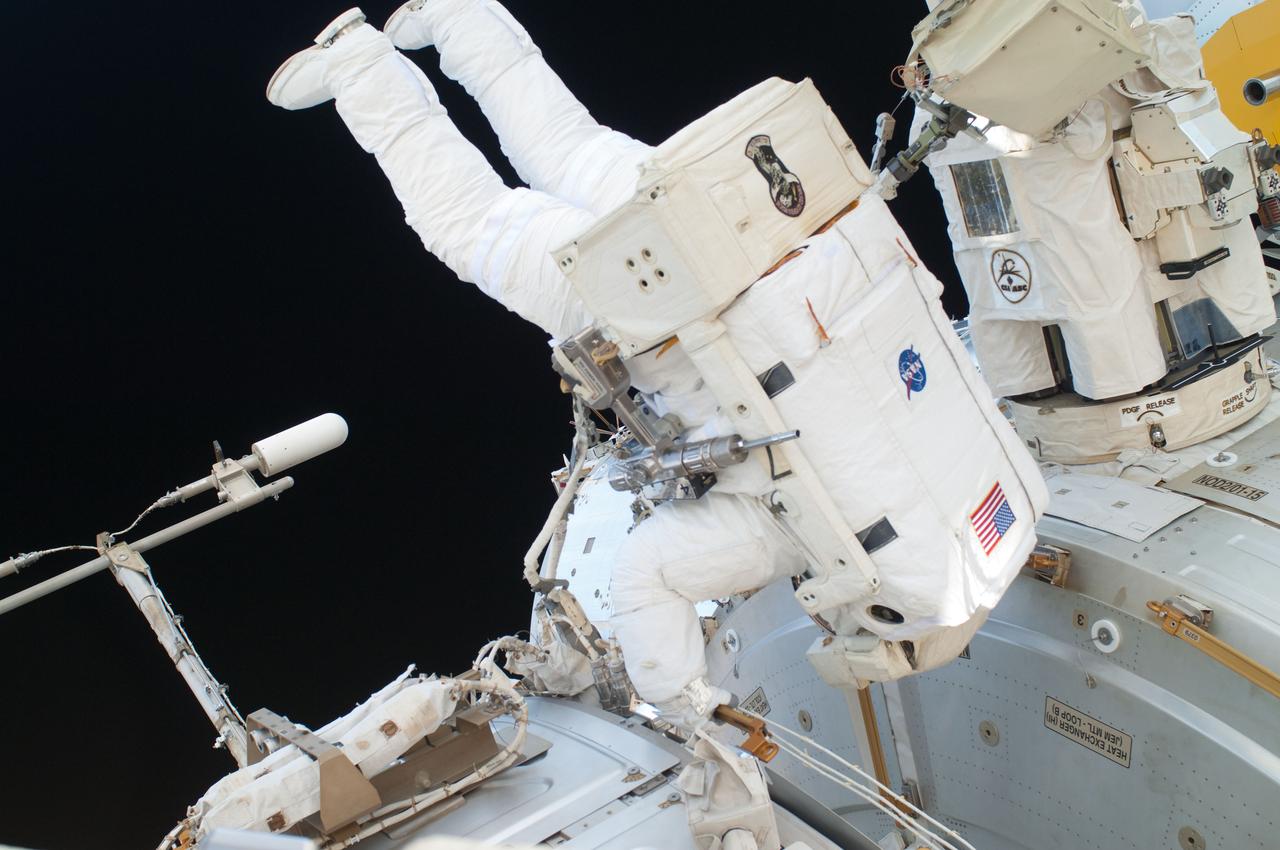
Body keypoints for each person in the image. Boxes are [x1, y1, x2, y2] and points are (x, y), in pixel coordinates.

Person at [268, 0, 1046, 729]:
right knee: (470, 222)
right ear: (868, 614)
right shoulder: (805, 545)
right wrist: (687, 709)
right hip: (650, 304)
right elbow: (647, 573)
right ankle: (356, 64)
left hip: (738, 227)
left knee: (566, 143)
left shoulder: (988, 474)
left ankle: (458, 18)